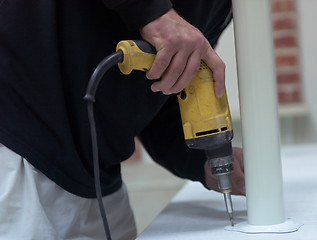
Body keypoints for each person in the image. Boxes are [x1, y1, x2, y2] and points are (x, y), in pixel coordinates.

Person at [0, 0, 245, 239]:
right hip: (19, 150)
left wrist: (203, 161)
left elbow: (163, 96)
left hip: (98, 175)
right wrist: (156, 15)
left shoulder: (226, 7)